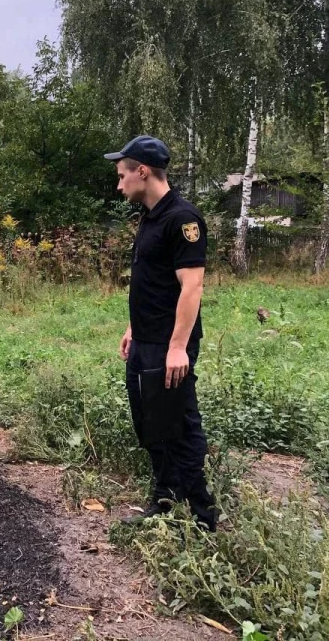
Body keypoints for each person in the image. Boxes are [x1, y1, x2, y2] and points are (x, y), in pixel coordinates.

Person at [105, 135, 219, 531]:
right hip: (145, 339)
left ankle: (203, 515)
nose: (119, 185)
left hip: (169, 346)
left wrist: (177, 347)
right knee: (150, 420)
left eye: (123, 176)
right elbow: (153, 283)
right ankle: (166, 499)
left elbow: (192, 287)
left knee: (179, 422)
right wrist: (132, 327)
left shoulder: (182, 219)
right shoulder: (151, 217)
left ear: (143, 171)